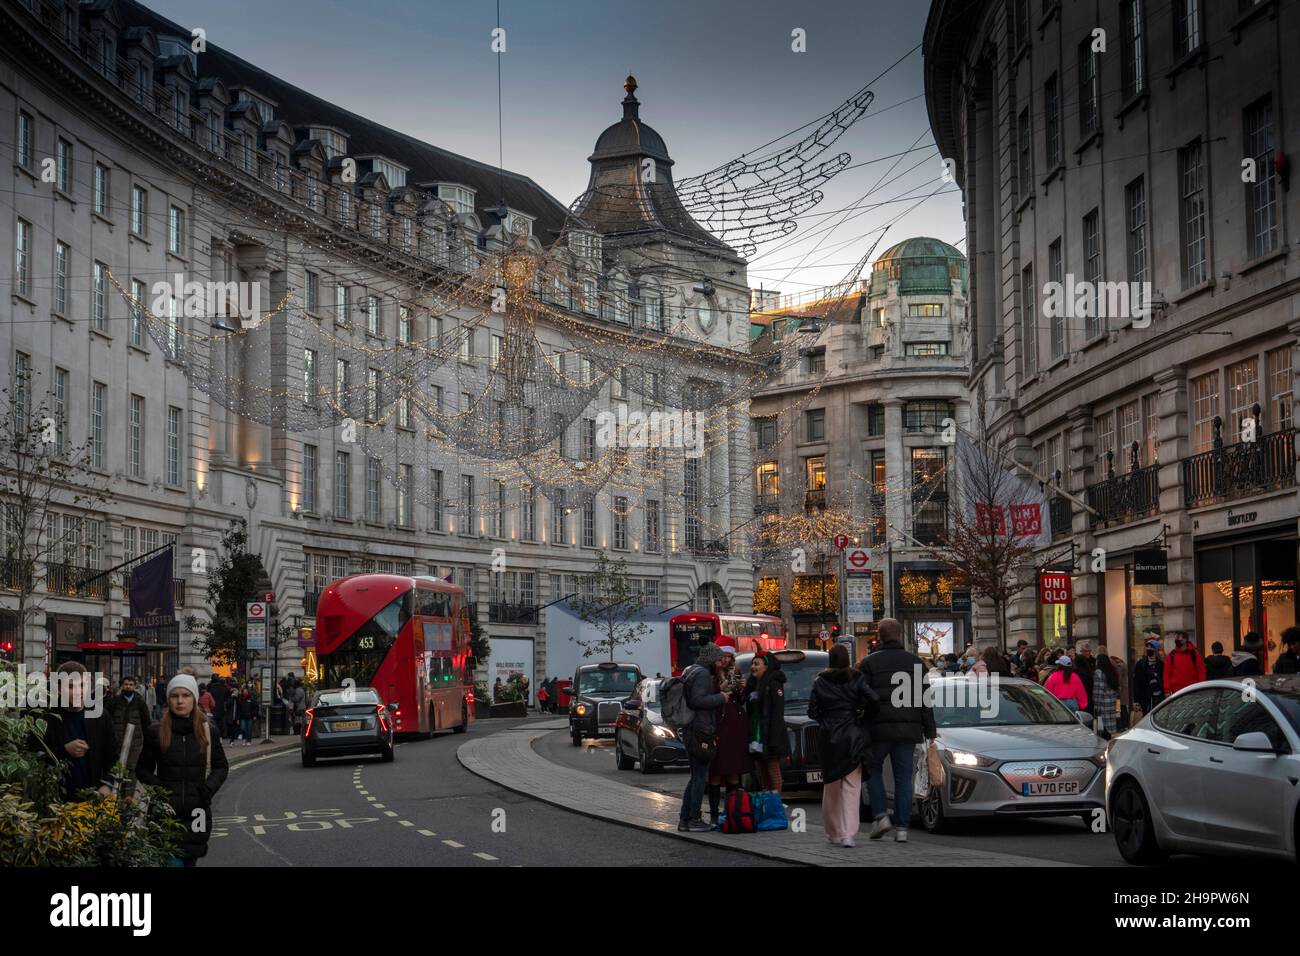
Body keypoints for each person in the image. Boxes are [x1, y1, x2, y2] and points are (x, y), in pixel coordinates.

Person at [136, 675, 228, 867]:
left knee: (190, 861)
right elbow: (142, 769)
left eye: (185, 695)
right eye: (174, 696)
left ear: (194, 698)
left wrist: (208, 789)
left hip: (197, 812)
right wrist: (161, 791)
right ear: (168, 699)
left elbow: (221, 767)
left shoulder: (208, 730)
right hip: (166, 812)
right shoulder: (156, 731)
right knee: (172, 861)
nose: (180, 701)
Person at [857, 618, 936, 844]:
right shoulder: (916, 663)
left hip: (877, 729)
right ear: (900, 635)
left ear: (879, 636)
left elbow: (862, 698)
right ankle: (902, 828)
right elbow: (925, 700)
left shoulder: (869, 663)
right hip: (908, 729)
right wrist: (931, 731)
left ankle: (881, 816)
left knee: (872, 770)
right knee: (903, 778)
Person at [808, 644, 878, 847]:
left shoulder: (820, 681)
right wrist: (860, 714)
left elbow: (812, 712)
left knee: (831, 787)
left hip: (829, 736)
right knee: (851, 787)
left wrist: (825, 719)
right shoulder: (856, 678)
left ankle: (833, 831)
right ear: (847, 659)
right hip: (852, 735)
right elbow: (873, 699)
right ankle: (849, 834)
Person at [37, 662, 118, 800]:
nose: (78, 692)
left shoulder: (100, 715)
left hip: (93, 800)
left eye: (82, 685)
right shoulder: (46, 717)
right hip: (56, 802)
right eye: (70, 686)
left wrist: (107, 785)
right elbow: (35, 758)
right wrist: (64, 751)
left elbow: (113, 758)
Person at [677, 643, 727, 833]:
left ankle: (685, 819)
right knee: (700, 777)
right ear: (711, 659)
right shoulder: (703, 674)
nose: (721, 663)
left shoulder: (692, 670)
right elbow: (698, 700)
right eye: (718, 659)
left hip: (692, 728)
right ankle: (693, 818)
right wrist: (721, 697)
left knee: (695, 776)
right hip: (700, 730)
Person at [707, 647, 748, 828]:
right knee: (716, 771)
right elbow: (707, 698)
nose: (725, 660)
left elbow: (740, 700)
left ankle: (732, 810)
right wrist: (720, 689)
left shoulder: (735, 672)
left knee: (733, 771)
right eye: (722, 656)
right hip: (718, 725)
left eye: (728, 657)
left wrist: (741, 688)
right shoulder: (711, 674)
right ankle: (714, 814)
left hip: (734, 725)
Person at [743, 651, 790, 796]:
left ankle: (774, 804)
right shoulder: (754, 684)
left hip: (769, 736)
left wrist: (773, 740)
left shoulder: (774, 684)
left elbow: (777, 713)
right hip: (757, 734)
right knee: (762, 773)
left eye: (757, 664)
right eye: (752, 664)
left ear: (766, 666)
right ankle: (766, 802)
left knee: (772, 771)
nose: (753, 667)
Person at [106, 675, 151, 772]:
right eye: (126, 684)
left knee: (131, 768)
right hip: (117, 742)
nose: (128, 686)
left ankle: (129, 787)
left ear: (135, 687)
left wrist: (147, 740)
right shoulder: (114, 701)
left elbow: (146, 722)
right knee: (116, 768)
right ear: (121, 686)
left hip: (135, 742)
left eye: (131, 684)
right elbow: (107, 720)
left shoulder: (140, 702)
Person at [1163, 631, 1205, 696]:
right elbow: (1166, 674)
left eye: (1178, 637)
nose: (1176, 639)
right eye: (1175, 637)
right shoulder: (1171, 655)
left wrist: (1201, 687)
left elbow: (1201, 672)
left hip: (1193, 691)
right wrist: (1167, 690)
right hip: (1176, 693)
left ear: (1185, 639)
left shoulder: (1194, 654)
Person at [1092, 654, 1120, 739]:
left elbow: (1098, 690)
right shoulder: (1112, 671)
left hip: (1103, 703)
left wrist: (1096, 704)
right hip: (1112, 702)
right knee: (1110, 726)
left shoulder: (1098, 672)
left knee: (1102, 727)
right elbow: (1117, 689)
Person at [1133, 640, 1164, 715]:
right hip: (1145, 697)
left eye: (1151, 647)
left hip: (1159, 697)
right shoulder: (1140, 664)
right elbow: (1136, 682)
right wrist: (1136, 700)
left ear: (1156, 650)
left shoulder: (1161, 664)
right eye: (1147, 647)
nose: (1148, 649)